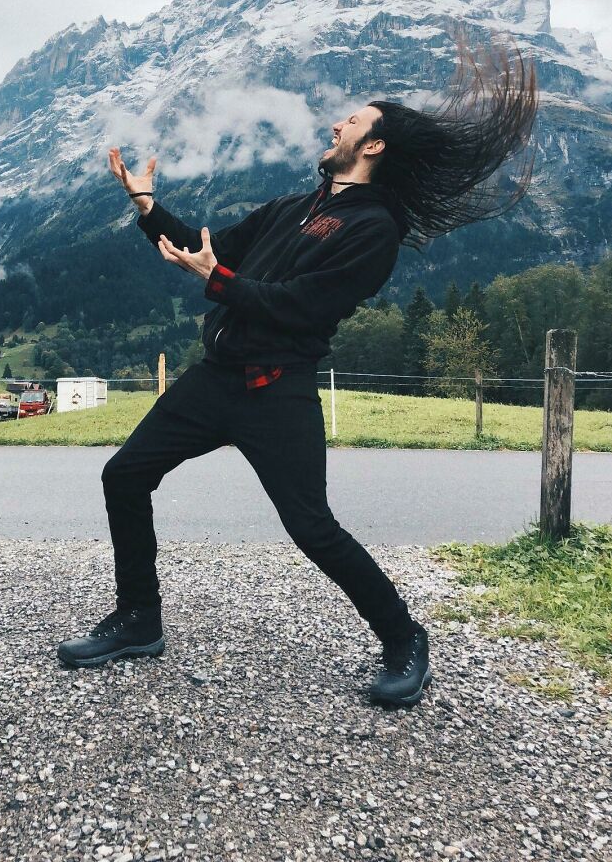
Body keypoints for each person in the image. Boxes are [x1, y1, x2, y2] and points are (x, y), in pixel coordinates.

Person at [57, 38, 539, 708]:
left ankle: (405, 639)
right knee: (124, 474)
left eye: (351, 120)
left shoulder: (373, 230)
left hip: (275, 390)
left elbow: (298, 307)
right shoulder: (294, 208)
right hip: (216, 376)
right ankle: (139, 618)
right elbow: (210, 250)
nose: (336, 123)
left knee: (312, 526)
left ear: (373, 146)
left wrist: (219, 280)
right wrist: (147, 207)